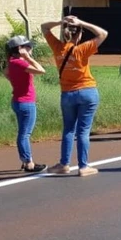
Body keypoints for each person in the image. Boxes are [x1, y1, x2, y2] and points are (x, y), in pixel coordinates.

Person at [41, 14, 108, 177]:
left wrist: (60, 22)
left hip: (67, 94)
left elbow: (44, 27)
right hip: (87, 91)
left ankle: (64, 164)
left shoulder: (57, 48)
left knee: (68, 130)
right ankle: (83, 166)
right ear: (79, 34)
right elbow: (103, 34)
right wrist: (81, 23)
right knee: (83, 131)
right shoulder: (82, 49)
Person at [5, 35, 47, 173]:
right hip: (26, 103)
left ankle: (25, 160)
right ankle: (29, 163)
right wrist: (28, 58)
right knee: (24, 134)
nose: (31, 48)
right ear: (20, 48)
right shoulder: (21, 63)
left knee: (23, 133)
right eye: (28, 46)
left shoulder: (11, 62)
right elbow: (41, 70)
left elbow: (6, 73)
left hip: (17, 101)